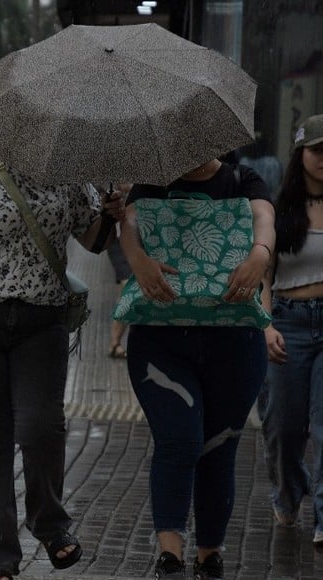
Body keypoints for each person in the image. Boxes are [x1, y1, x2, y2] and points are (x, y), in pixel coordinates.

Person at [0, 149, 124, 579]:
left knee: (42, 428)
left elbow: (93, 241)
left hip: (41, 324)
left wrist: (110, 214)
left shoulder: (72, 176)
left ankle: (49, 522)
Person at [120, 157, 275, 579]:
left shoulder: (243, 178)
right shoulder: (152, 180)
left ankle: (210, 556)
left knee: (219, 449)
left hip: (235, 339)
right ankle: (169, 555)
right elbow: (129, 226)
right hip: (161, 340)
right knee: (178, 441)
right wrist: (138, 260)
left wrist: (260, 253)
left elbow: (264, 217)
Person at [259, 113, 323, 547]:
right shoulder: (279, 212)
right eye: (318, 151)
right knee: (283, 427)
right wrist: (265, 326)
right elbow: (263, 276)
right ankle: (288, 493)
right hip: (287, 324)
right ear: (301, 154)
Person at [103, 183, 133, 359]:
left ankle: (115, 341)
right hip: (117, 237)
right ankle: (115, 341)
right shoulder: (108, 173)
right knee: (128, 285)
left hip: (140, 236)